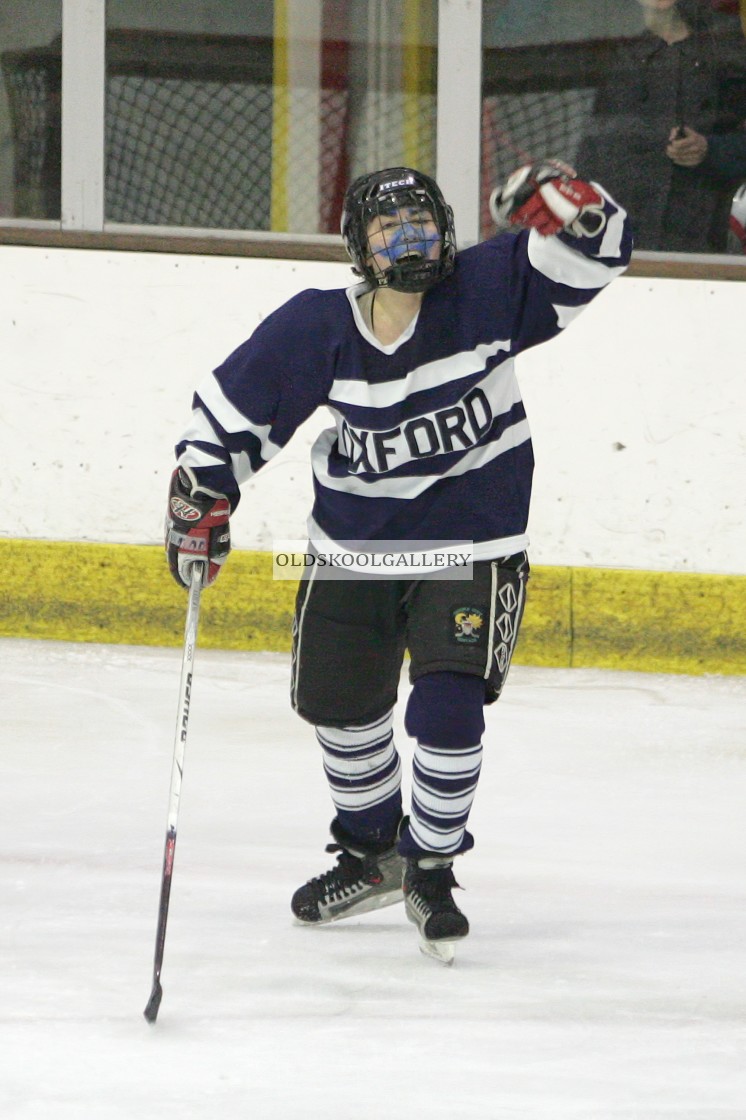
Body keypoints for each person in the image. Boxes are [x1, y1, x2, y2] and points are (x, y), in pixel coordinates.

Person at [164, 162, 632, 962]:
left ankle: (431, 865)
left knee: (448, 708)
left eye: (421, 223)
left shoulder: (487, 287)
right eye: (389, 229)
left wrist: (578, 212)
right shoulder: (319, 328)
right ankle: (373, 853)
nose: (408, 238)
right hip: (352, 549)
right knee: (340, 709)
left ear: (446, 233)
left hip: (473, 545)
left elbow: (598, 257)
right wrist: (199, 496)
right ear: (360, 249)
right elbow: (230, 420)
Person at [576, 0, 746, 252]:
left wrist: (710, 150)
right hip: (628, 244)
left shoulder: (729, 46)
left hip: (711, 248)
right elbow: (595, 153)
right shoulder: (619, 56)